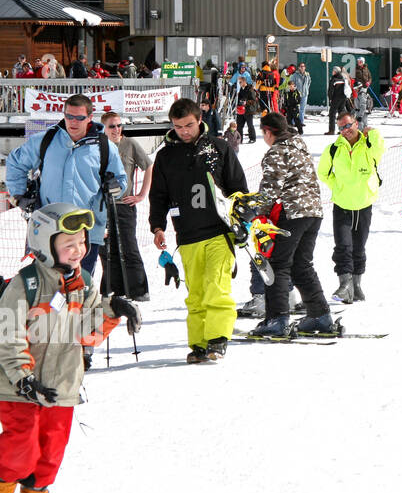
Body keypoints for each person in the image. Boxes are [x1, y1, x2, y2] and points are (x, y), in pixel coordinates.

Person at [0, 204, 137, 493]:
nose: (79, 250)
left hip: (60, 387)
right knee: (20, 452)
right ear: (45, 245)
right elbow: (8, 336)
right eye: (69, 244)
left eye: (82, 242)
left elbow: (87, 333)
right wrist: (23, 377)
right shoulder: (25, 285)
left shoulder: (82, 284)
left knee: (49, 458)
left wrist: (113, 311)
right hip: (18, 388)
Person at [5, 95, 128, 311]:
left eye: (79, 118)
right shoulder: (48, 140)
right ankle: (45, 338)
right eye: (68, 116)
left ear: (90, 117)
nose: (73, 122)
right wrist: (19, 195)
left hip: (86, 230)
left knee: (79, 290)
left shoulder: (103, 146)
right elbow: (16, 161)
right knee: (47, 289)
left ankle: (78, 340)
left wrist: (114, 186)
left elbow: (121, 182)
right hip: (48, 230)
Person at [149, 98, 248, 363]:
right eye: (178, 126)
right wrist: (157, 226)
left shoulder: (219, 148)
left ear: (199, 120)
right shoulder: (165, 156)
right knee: (196, 294)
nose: (184, 131)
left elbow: (239, 189)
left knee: (216, 287)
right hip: (188, 235)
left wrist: (243, 221)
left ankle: (218, 339)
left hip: (219, 232)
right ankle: (199, 343)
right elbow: (157, 195)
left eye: (189, 125)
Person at [247, 114, 332, 337]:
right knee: (301, 264)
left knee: (277, 264)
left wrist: (258, 214)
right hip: (313, 211)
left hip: (292, 212)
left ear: (267, 132)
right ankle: (319, 315)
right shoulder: (299, 144)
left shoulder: (276, 151)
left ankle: (277, 319)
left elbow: (270, 189)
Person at [317, 111, 385, 303]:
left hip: (364, 203)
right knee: (343, 246)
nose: (345, 131)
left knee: (359, 247)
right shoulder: (333, 149)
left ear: (356, 123)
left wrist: (373, 133)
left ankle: (356, 285)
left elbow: (380, 149)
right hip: (343, 204)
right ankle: (344, 284)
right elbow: (323, 173)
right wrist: (338, 186)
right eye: (341, 128)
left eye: (348, 126)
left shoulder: (369, 145)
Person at [100, 113, 152, 300]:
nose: (116, 130)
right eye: (112, 126)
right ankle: (113, 289)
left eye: (119, 126)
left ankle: (138, 289)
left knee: (128, 246)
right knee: (106, 248)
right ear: (104, 128)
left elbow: (148, 166)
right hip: (103, 206)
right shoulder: (99, 146)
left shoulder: (129, 144)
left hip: (124, 204)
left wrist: (141, 194)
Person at [327, 66, 352, 134]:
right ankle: (343, 130)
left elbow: (331, 90)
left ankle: (331, 130)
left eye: (333, 70)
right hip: (343, 98)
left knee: (332, 114)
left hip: (335, 98)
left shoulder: (334, 79)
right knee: (342, 115)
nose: (332, 72)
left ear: (335, 71)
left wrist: (330, 98)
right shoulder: (343, 78)